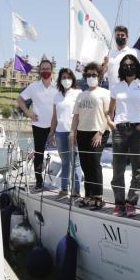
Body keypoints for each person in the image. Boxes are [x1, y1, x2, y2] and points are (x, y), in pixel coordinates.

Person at [107, 54, 140, 217]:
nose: (129, 67)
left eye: (131, 64)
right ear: (121, 68)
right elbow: (110, 112)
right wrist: (111, 124)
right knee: (118, 169)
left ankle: (131, 203)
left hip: (139, 130)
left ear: (136, 67)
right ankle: (119, 203)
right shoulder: (116, 87)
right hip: (120, 130)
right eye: (125, 65)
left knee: (138, 170)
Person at [70, 63, 110, 210]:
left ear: (99, 77)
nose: (91, 77)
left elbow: (109, 114)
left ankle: (98, 197)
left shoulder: (105, 93)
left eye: (94, 75)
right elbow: (76, 116)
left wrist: (100, 132)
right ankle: (88, 195)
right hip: (82, 132)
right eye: (88, 75)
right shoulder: (81, 94)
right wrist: (72, 132)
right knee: (85, 165)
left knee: (94, 163)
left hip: (98, 131)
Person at [16, 59, 57, 190]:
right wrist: (28, 113)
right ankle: (39, 181)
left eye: (48, 69)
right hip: (38, 125)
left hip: (54, 126)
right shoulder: (34, 86)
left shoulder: (57, 87)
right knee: (39, 154)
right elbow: (20, 99)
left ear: (52, 71)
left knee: (62, 152)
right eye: (43, 69)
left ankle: (64, 185)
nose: (46, 71)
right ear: (40, 71)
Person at [49, 68, 82, 199]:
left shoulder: (78, 93)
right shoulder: (57, 95)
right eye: (63, 77)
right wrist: (51, 132)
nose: (66, 80)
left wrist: (76, 131)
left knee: (75, 162)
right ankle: (64, 189)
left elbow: (80, 114)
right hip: (60, 133)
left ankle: (76, 190)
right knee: (64, 162)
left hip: (73, 132)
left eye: (68, 77)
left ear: (73, 79)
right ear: (60, 80)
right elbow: (54, 117)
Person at [102, 25, 140, 92]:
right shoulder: (109, 53)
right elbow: (103, 72)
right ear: (115, 37)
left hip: (131, 91)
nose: (120, 37)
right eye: (118, 35)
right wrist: (104, 65)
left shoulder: (135, 52)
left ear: (127, 37)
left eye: (122, 35)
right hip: (113, 92)